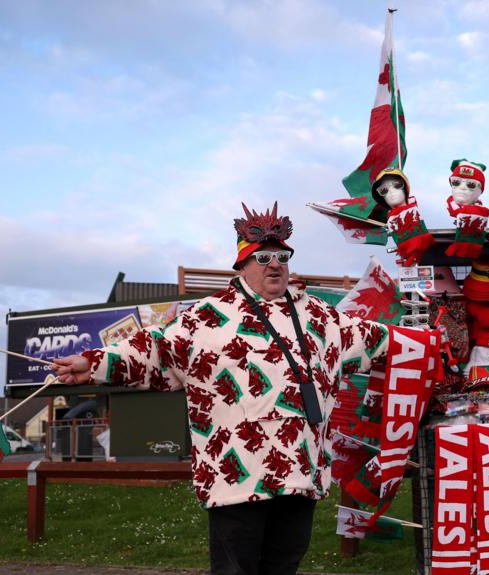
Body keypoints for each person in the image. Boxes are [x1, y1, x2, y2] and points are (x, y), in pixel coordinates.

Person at [52, 202, 392, 575]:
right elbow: (153, 349)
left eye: (282, 255)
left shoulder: (320, 318)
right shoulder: (206, 318)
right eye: (263, 256)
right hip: (236, 479)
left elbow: (380, 341)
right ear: (242, 265)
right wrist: (94, 363)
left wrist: (440, 342)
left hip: (300, 474)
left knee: (284, 567)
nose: (274, 263)